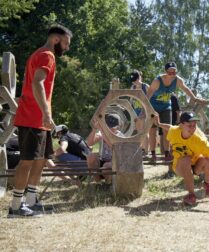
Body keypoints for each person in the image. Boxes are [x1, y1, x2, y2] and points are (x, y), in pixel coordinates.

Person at [8, 25, 72, 218]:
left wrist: (47, 116)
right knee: (27, 161)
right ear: (56, 40)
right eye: (66, 43)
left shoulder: (42, 54)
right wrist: (45, 112)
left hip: (40, 120)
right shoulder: (47, 55)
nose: (67, 48)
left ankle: (31, 201)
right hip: (32, 118)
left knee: (41, 160)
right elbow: (37, 82)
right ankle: (16, 207)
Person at [154, 111, 209, 205]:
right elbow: (169, 127)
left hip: (196, 166)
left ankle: (207, 183)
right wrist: (158, 124)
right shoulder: (174, 131)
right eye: (189, 125)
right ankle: (191, 195)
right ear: (181, 125)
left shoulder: (199, 140)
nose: (193, 128)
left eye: (194, 125)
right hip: (180, 167)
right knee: (186, 158)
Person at [147, 62, 203, 162]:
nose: (172, 74)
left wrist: (194, 98)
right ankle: (153, 154)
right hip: (153, 107)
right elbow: (149, 93)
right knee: (152, 131)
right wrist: (148, 108)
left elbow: (186, 89)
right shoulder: (157, 81)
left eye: (174, 71)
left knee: (167, 130)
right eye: (170, 72)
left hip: (166, 107)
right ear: (166, 71)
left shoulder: (178, 80)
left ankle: (167, 153)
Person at [86, 114, 123, 186]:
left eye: (112, 127)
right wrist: (94, 129)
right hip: (103, 161)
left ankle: (108, 183)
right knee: (91, 156)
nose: (110, 129)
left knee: (106, 166)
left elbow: (114, 147)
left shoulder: (120, 136)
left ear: (118, 126)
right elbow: (89, 144)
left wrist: (103, 135)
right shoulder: (101, 133)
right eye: (108, 127)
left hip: (115, 163)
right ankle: (98, 183)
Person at [130, 70, 150, 156]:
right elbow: (131, 100)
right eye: (132, 80)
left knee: (145, 132)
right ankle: (141, 149)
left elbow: (151, 100)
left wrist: (144, 111)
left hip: (145, 111)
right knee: (139, 132)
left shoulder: (145, 87)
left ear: (139, 78)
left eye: (135, 80)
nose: (134, 82)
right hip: (136, 111)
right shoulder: (132, 87)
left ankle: (146, 151)